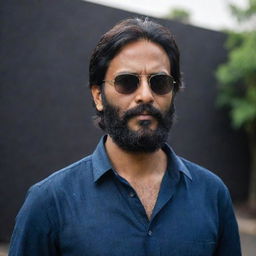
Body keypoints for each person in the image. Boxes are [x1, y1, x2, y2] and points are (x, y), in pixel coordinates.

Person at [9, 18, 241, 256]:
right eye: (127, 82)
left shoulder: (212, 194)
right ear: (98, 96)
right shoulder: (49, 202)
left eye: (159, 82)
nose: (145, 95)